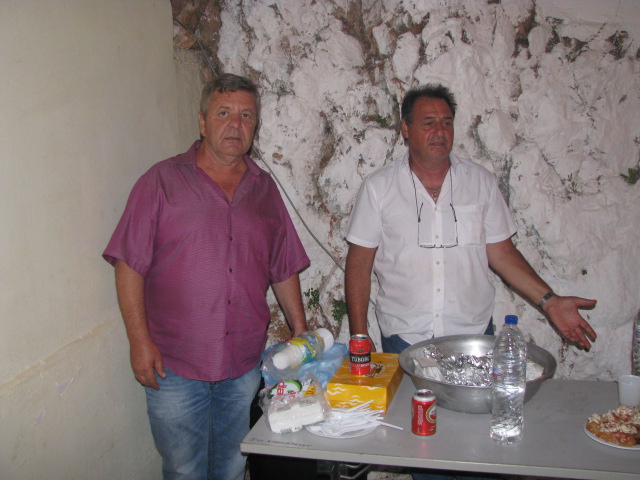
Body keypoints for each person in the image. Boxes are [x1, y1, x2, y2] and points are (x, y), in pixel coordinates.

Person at [345, 84, 598, 479]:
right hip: (406, 341)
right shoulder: (379, 188)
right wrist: (360, 339)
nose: (440, 131)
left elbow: (502, 254)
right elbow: (359, 265)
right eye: (428, 123)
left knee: (476, 452)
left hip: (473, 342)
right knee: (425, 451)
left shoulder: (479, 182)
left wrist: (550, 301)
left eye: (447, 122)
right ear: (405, 129)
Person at [103, 73, 310, 480]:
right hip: (174, 365)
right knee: (184, 470)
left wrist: (301, 332)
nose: (235, 124)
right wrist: (139, 343)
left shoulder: (265, 190)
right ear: (202, 122)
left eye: (246, 115)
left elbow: (282, 265)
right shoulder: (160, 182)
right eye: (223, 113)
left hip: (243, 364)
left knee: (232, 465)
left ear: (255, 125)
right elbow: (129, 264)